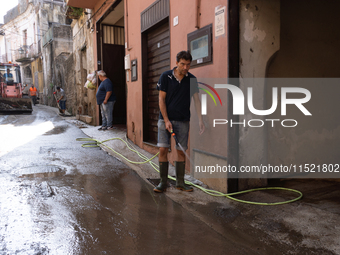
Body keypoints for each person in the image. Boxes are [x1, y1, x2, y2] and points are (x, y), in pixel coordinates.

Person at [154, 51, 205, 193]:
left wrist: (201, 120)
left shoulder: (192, 80)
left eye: (188, 65)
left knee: (181, 151)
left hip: (183, 120)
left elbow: (197, 100)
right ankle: (163, 182)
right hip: (164, 120)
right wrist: (166, 120)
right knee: (163, 149)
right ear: (177, 63)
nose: (185, 67)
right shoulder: (166, 76)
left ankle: (180, 183)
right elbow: (161, 100)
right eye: (182, 64)